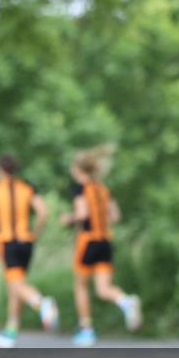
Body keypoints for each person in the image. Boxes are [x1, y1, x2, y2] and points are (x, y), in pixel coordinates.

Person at [60, 145, 142, 346]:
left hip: (88, 241)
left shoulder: (80, 188)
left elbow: (82, 214)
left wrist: (68, 219)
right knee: (103, 289)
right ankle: (125, 301)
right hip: (105, 241)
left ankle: (87, 330)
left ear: (78, 169)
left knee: (81, 286)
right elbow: (116, 216)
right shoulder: (103, 189)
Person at [0, 155, 58, 347]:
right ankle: (11, 330)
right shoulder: (27, 187)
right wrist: (35, 232)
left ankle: (41, 303)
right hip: (26, 241)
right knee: (16, 285)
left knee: (16, 285)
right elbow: (43, 212)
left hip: (8, 242)